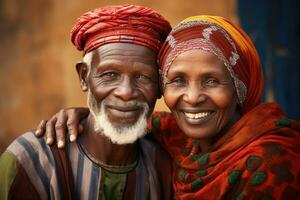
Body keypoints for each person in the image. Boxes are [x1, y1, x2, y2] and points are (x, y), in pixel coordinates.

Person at [36, 15, 300, 199]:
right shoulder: (175, 135)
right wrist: (88, 114)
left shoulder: (274, 161)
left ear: (240, 87)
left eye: (212, 80)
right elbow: (127, 116)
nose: (193, 97)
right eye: (178, 80)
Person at [0, 4, 173, 200]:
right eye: (110, 75)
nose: (126, 92)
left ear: (160, 86)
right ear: (84, 77)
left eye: (143, 77)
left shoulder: (164, 166)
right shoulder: (29, 163)